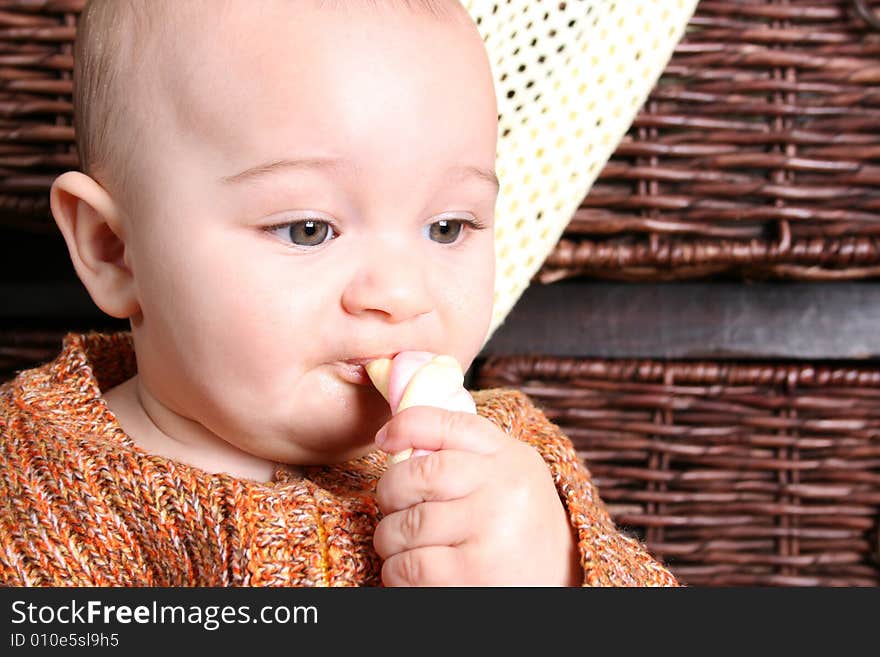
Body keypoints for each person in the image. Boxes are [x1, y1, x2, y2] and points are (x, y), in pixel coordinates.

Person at [0, 0, 678, 586]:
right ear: (113, 250)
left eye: (447, 226)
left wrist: (557, 579)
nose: (400, 293)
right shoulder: (36, 482)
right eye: (307, 228)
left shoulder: (509, 460)